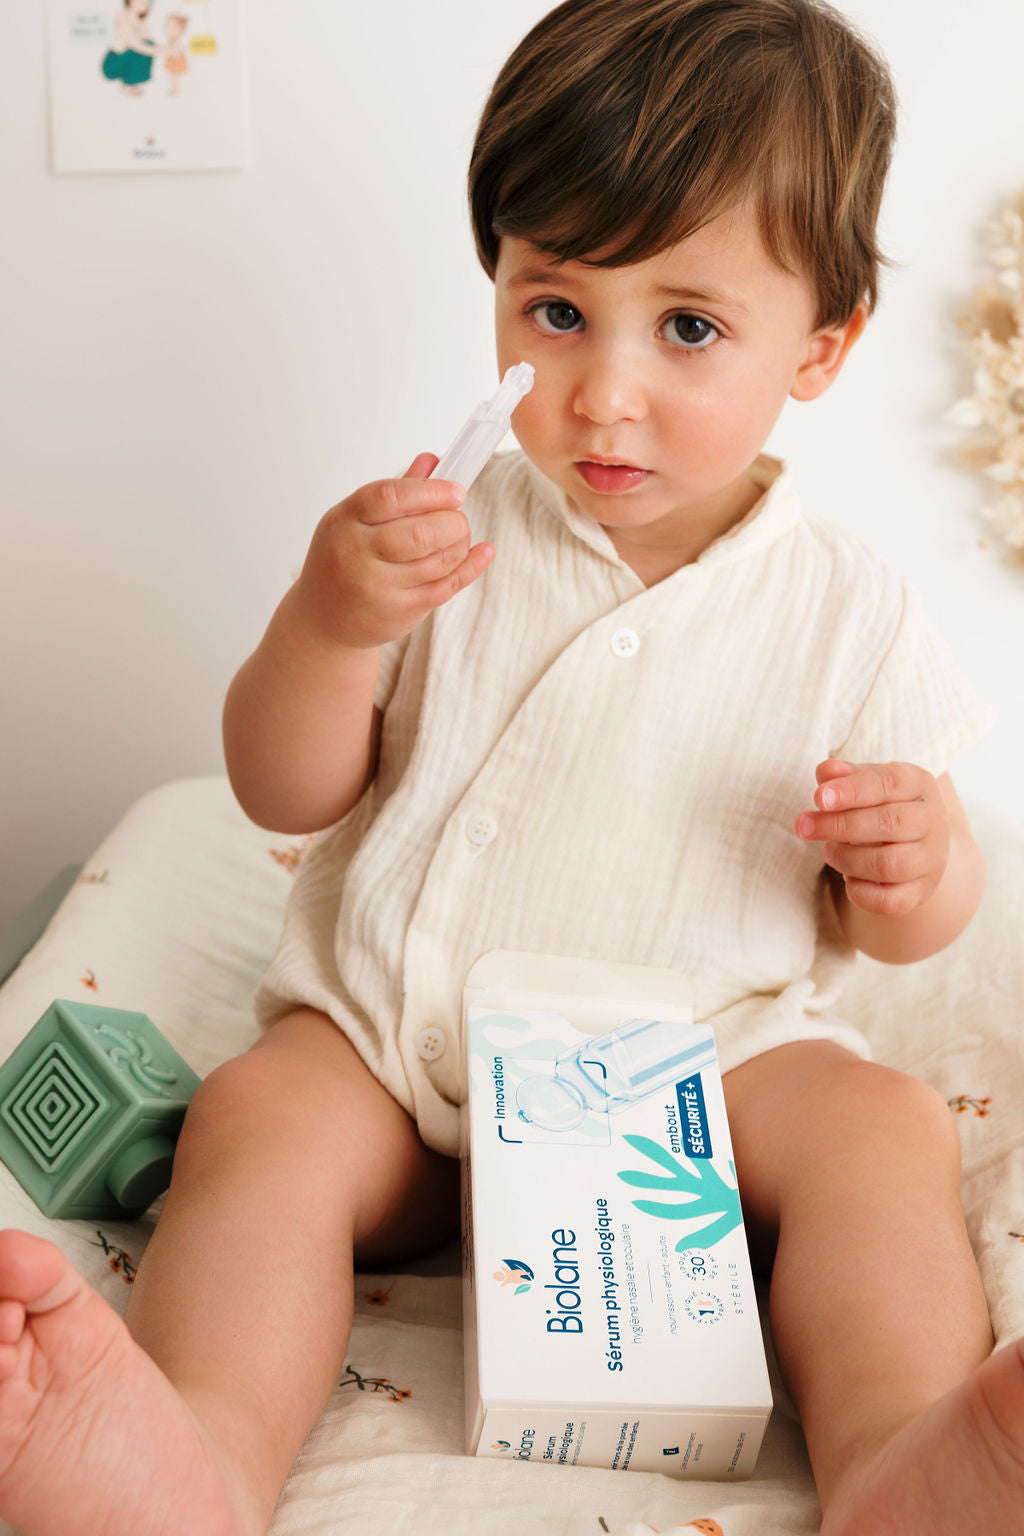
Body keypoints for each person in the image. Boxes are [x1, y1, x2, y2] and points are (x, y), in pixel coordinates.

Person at [2, 2, 1022, 1532]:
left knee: (881, 1132)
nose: (603, 392)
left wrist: (917, 867)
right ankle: (197, 1453)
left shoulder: (848, 609)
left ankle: (901, 1459)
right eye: (555, 310)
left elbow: (907, 933)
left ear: (821, 348)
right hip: (401, 1054)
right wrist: (328, 628)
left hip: (700, 1079)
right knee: (262, 1120)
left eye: (688, 328)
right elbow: (282, 794)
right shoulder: (442, 532)